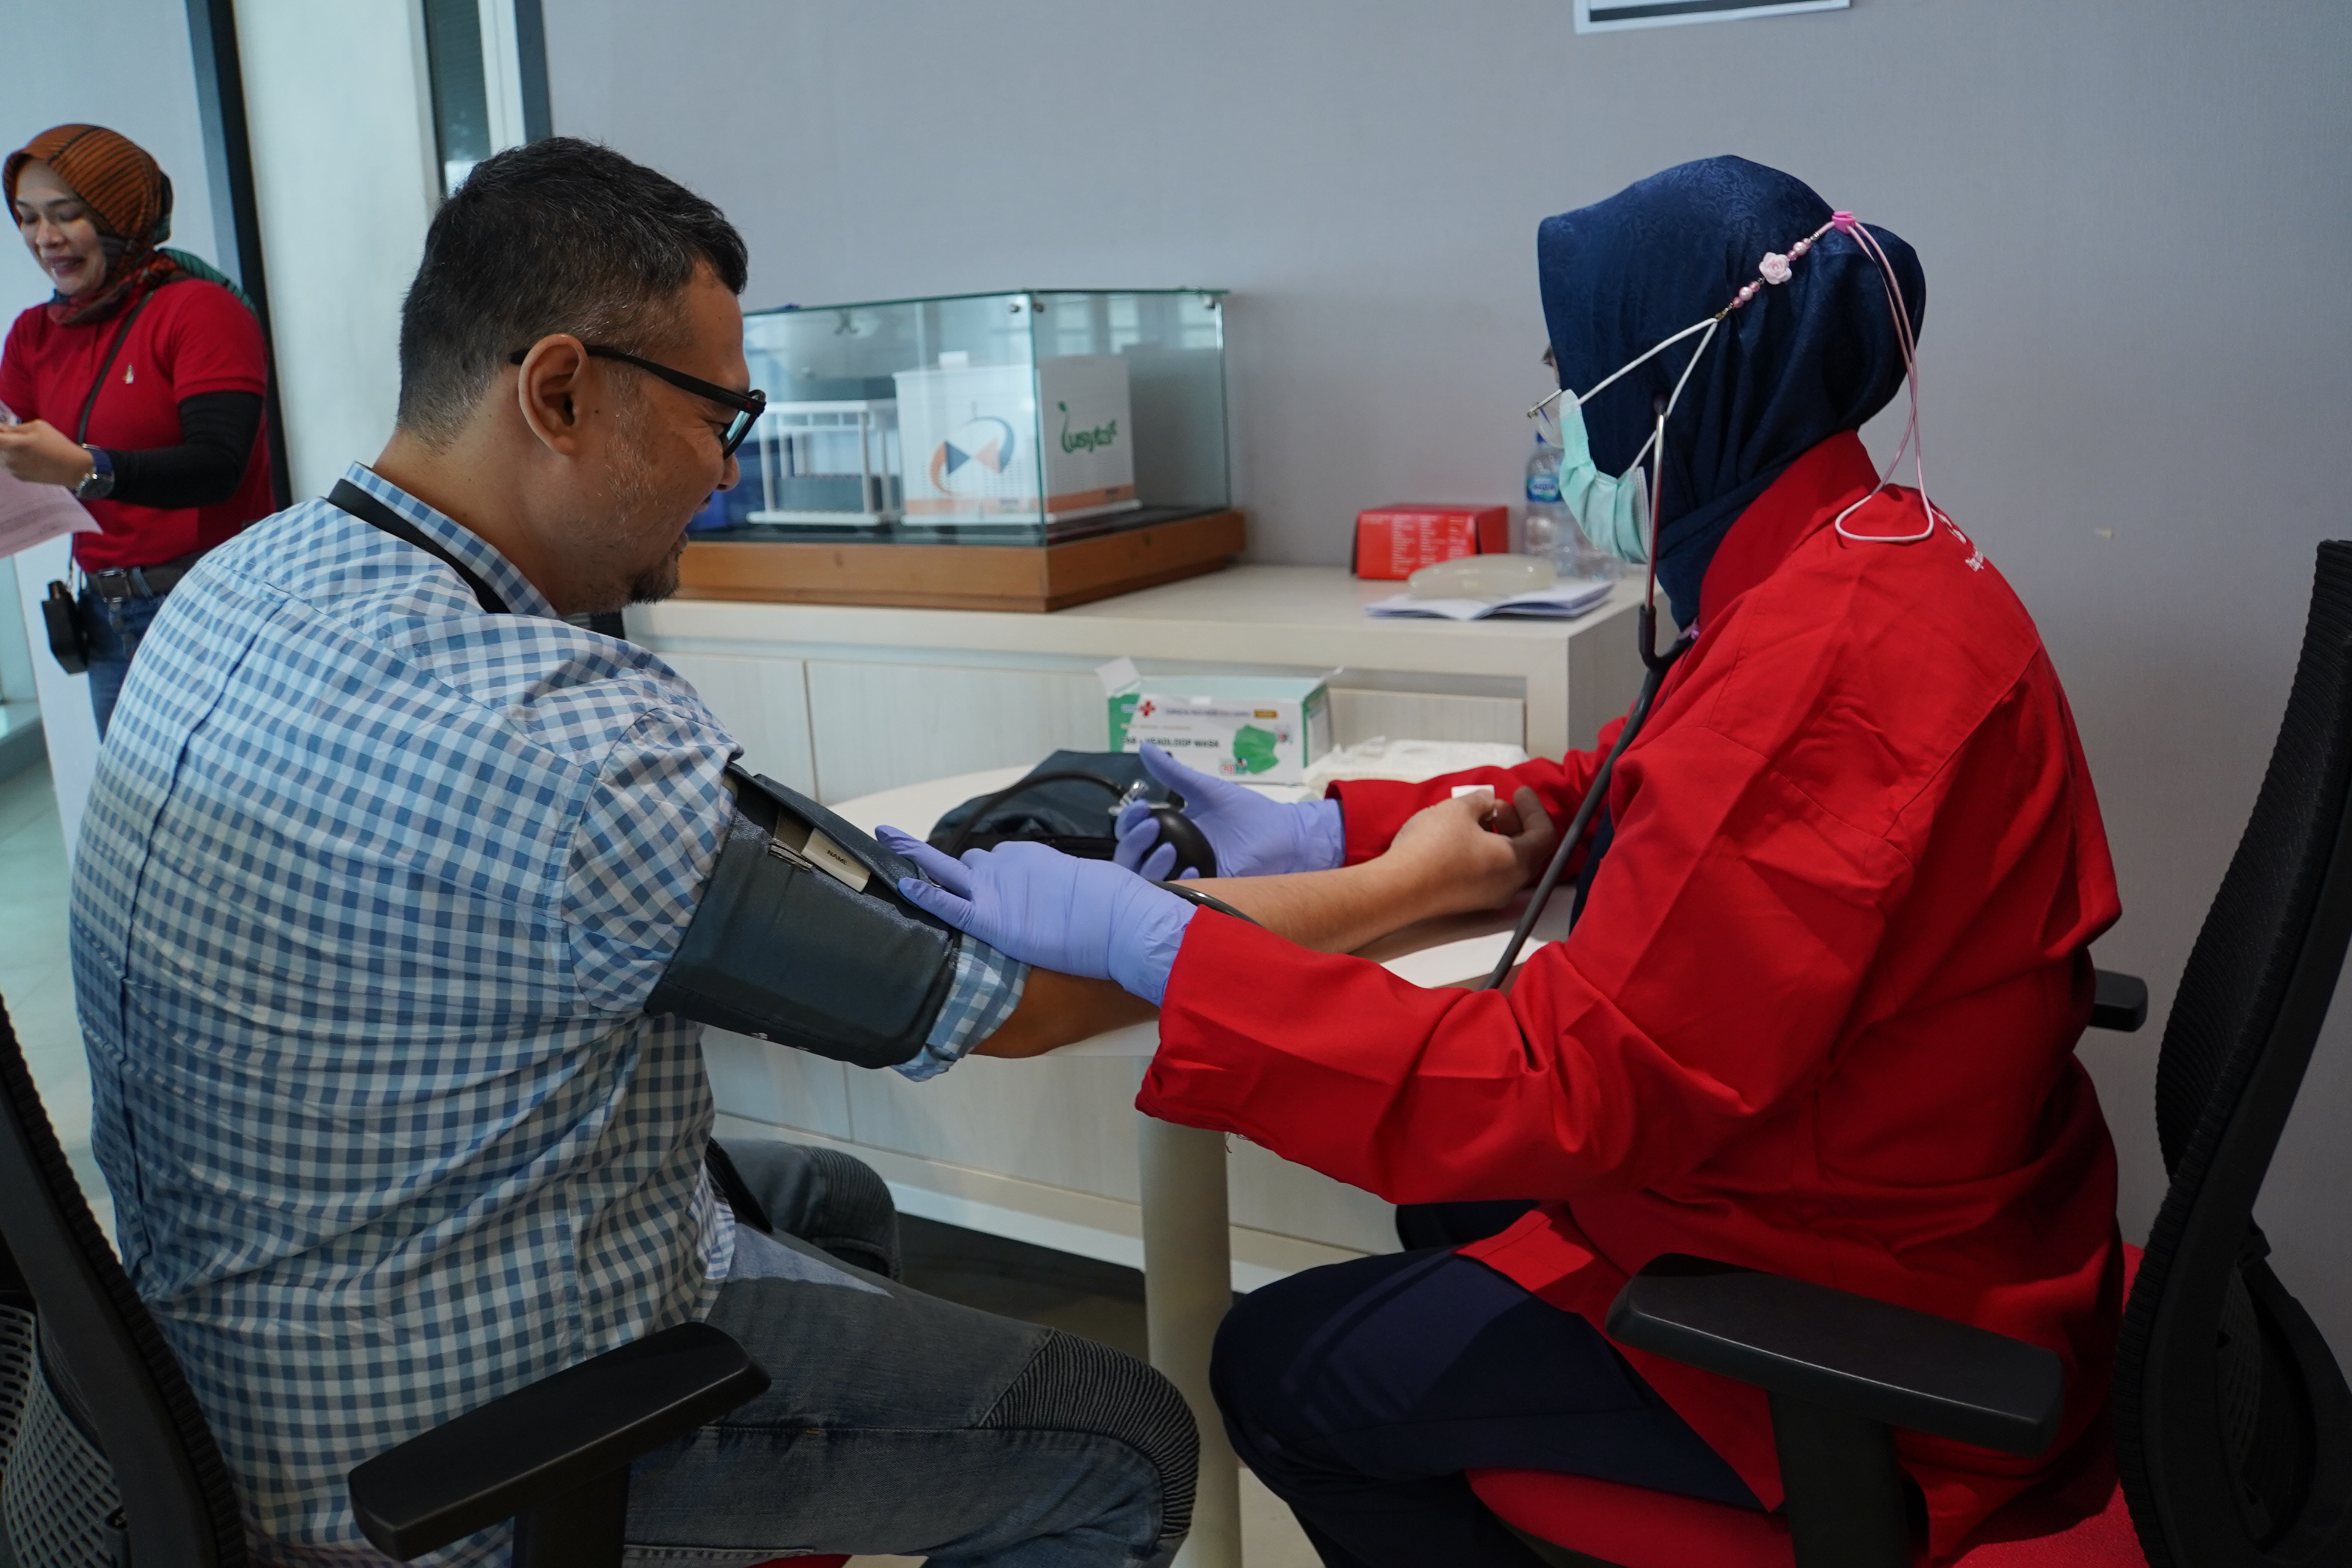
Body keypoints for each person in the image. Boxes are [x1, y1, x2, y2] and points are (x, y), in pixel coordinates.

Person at [886, 156, 2123, 1568]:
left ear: (1669, 388)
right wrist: (1339, 825)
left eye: (1568, 374)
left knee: (1280, 1365)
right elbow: (1655, 774)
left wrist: (1164, 942)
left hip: (1858, 1301)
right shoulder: (1859, 554)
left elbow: (1561, 1087)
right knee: (1442, 1202)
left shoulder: (1823, 668)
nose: (1562, 416)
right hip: (1900, 1183)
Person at [70, 137, 1192, 1567]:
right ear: (558, 391)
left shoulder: (241, 584)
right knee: (1124, 1440)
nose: (725, 470)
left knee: (831, 1198)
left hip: (212, 1374)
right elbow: (997, 1009)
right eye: (721, 415)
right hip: (430, 1458)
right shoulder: (558, 738)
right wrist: (1344, 898)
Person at [0, 123, 274, 736]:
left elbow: (218, 467)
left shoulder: (199, 309)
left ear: (122, 214)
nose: (45, 238)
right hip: (105, 615)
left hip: (211, 605)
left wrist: (84, 468)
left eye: (66, 214)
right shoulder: (32, 334)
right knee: (136, 793)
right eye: (26, 217)